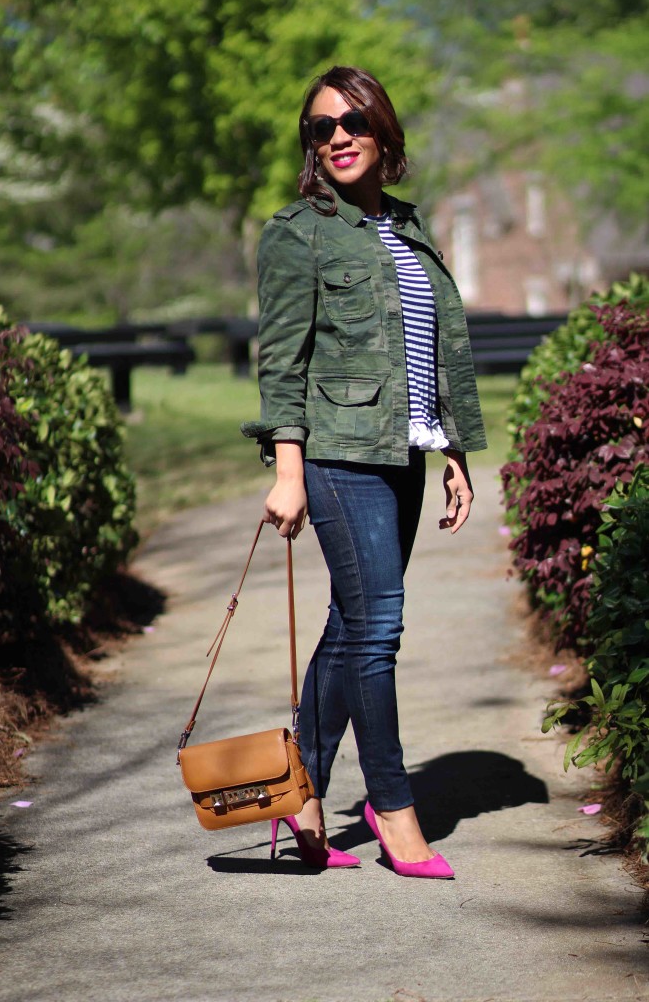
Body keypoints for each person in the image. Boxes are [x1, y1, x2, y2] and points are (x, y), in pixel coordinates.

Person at [242, 66, 486, 878]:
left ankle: (299, 791)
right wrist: (287, 470)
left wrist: (450, 450)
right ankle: (391, 802)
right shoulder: (296, 231)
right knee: (378, 627)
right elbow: (282, 361)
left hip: (401, 450)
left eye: (351, 121)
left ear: (383, 129)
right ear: (310, 146)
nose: (337, 136)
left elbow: (431, 352)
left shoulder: (407, 229)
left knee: (352, 624)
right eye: (320, 128)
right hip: (337, 456)